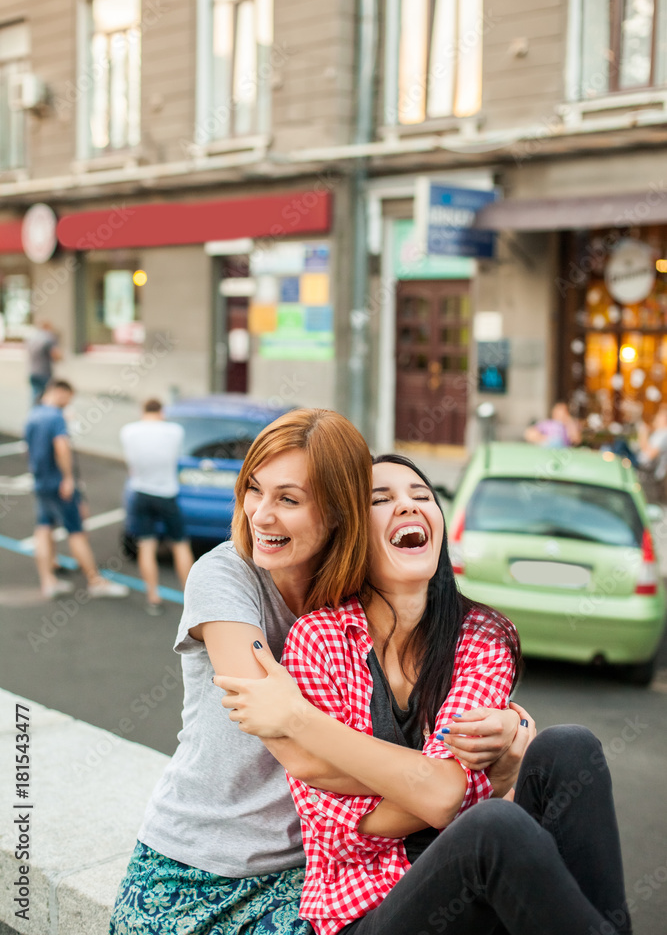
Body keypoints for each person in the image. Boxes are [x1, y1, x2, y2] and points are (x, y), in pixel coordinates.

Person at [109, 410, 523, 935]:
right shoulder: (226, 575)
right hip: (201, 867)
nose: (260, 515)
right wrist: (461, 780)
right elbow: (304, 754)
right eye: (254, 489)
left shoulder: (358, 593)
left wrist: (508, 729)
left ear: (337, 514)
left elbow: (410, 713)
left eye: (288, 499)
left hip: (311, 871)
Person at [215, 454, 631, 935]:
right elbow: (340, 832)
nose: (408, 507)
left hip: (470, 886)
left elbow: (445, 794)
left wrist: (298, 719)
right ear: (350, 532)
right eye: (382, 499)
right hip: (366, 915)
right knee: (494, 827)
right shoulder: (318, 640)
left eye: (421, 496)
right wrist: (473, 784)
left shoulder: (481, 636)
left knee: (569, 748)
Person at [24, 379, 130, 601]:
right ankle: (94, 580)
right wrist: (68, 478)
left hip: (41, 482)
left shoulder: (33, 415)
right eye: (68, 398)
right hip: (58, 483)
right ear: (60, 393)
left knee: (43, 528)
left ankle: (48, 581)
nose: (68, 403)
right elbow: (61, 447)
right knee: (76, 531)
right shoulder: (55, 417)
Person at [120, 398, 194, 614]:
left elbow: (131, 464)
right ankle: (191, 599)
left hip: (140, 492)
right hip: (166, 493)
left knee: (146, 545)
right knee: (180, 544)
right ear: (161, 412)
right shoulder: (174, 431)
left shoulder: (128, 431)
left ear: (142, 410)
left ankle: (153, 597)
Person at [26, 319, 61, 404]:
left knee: (35, 397)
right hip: (44, 372)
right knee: (45, 398)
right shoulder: (48, 338)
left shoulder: (32, 337)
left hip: (32, 371)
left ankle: (34, 414)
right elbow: (56, 355)